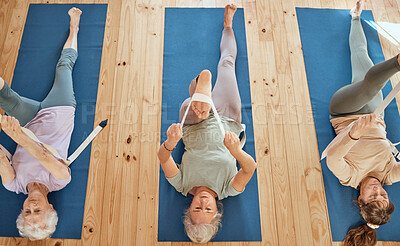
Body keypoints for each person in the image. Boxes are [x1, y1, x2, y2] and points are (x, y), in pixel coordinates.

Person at [157, 4, 257, 243]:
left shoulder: (181, 185)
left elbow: (163, 158)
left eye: (196, 209)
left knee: (191, 108)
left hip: (194, 123)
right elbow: (249, 168)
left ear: (188, 209)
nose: (203, 203)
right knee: (227, 64)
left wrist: (170, 143)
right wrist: (235, 151)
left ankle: (200, 91)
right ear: (218, 211)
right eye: (208, 210)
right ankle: (227, 26)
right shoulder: (228, 189)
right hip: (230, 119)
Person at [0, 7, 82, 240]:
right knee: (64, 66)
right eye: (38, 211)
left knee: (5, 96)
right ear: (50, 208)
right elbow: (43, 155)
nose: (32, 206)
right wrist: (17, 135)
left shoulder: (13, 185)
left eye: (28, 211)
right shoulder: (60, 180)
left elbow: (0, 159)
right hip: (59, 111)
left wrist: (13, 130)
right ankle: (74, 29)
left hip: (27, 121)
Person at [326, 1, 400, 245]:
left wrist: (355, 131)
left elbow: (333, 158)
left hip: (344, 112)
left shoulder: (350, 177)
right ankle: (355, 17)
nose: (378, 188)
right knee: (361, 56)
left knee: (369, 87)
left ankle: (397, 62)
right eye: (384, 194)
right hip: (374, 111)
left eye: (373, 195)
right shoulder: (389, 174)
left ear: (360, 199)